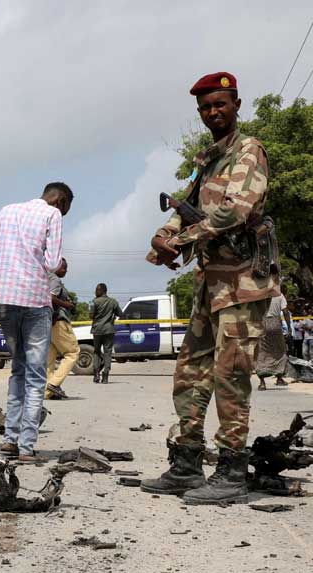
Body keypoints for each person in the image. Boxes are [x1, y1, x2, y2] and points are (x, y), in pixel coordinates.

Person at [141, 71, 278, 505]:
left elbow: (236, 210)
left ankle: (232, 471)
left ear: (236, 104)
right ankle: (185, 464)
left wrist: (180, 239)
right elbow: (188, 206)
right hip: (208, 284)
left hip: (241, 284)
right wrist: (165, 234)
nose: (213, 112)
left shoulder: (248, 151)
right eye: (205, 107)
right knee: (190, 374)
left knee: (231, 375)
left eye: (220, 104)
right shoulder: (207, 159)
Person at [0, 182, 69, 462]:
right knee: (36, 375)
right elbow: (53, 263)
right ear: (61, 201)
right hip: (34, 301)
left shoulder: (7, 211)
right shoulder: (51, 215)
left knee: (18, 369)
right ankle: (27, 445)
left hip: (5, 299)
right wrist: (61, 263)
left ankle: (9, 440)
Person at [45, 258, 78, 400]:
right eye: (64, 268)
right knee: (72, 352)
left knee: (49, 360)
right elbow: (51, 298)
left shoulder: (43, 277)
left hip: (46, 322)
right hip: (58, 321)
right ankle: (54, 383)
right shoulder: (55, 280)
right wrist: (67, 305)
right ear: (56, 267)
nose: (66, 271)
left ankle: (47, 392)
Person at [89, 283, 123, 384]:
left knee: (97, 352)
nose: (95, 292)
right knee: (108, 352)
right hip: (109, 330)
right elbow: (120, 314)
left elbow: (91, 316)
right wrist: (111, 317)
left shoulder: (94, 302)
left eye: (96, 290)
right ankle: (106, 376)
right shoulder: (113, 301)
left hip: (97, 330)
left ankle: (96, 374)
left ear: (101, 291)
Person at [256, 293, 290, 390]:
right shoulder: (279, 295)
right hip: (276, 324)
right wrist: (289, 328)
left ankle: (262, 383)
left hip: (262, 323)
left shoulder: (260, 294)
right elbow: (285, 311)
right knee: (279, 350)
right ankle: (279, 378)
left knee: (262, 351)